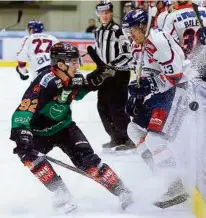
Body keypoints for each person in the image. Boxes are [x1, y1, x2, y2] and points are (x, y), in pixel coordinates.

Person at [10, 42, 133, 213]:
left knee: (90, 164)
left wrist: (94, 80)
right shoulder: (45, 83)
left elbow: (78, 91)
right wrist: (22, 133)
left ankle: (123, 192)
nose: (78, 65)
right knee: (28, 156)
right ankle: (62, 195)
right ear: (60, 64)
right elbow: (24, 109)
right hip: (38, 134)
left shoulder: (72, 77)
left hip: (65, 128)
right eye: (73, 62)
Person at [122, 9, 196, 208]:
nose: (131, 34)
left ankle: (175, 186)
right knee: (134, 129)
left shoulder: (158, 42)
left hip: (178, 91)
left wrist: (149, 86)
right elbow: (142, 74)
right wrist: (135, 97)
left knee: (155, 139)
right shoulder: (137, 44)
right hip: (161, 93)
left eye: (133, 30)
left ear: (144, 27)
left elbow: (176, 76)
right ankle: (163, 174)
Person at [93, 1, 135, 151]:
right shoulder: (97, 31)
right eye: (101, 12)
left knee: (117, 106)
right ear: (97, 14)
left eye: (107, 12)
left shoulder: (118, 30)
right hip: (106, 74)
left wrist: (111, 65)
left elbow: (127, 54)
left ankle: (129, 138)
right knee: (102, 106)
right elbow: (99, 53)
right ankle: (116, 137)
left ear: (111, 13)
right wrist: (100, 70)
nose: (104, 15)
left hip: (120, 73)